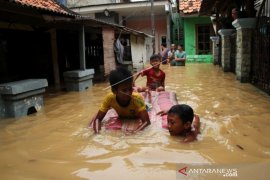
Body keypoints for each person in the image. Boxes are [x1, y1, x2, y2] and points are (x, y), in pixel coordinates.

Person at [92, 66, 151, 134]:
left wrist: (134, 133)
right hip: (125, 114)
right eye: (124, 90)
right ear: (114, 91)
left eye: (130, 89)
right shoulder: (109, 98)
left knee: (146, 103)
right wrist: (96, 134)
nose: (128, 93)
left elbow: (147, 122)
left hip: (142, 108)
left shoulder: (137, 98)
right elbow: (97, 119)